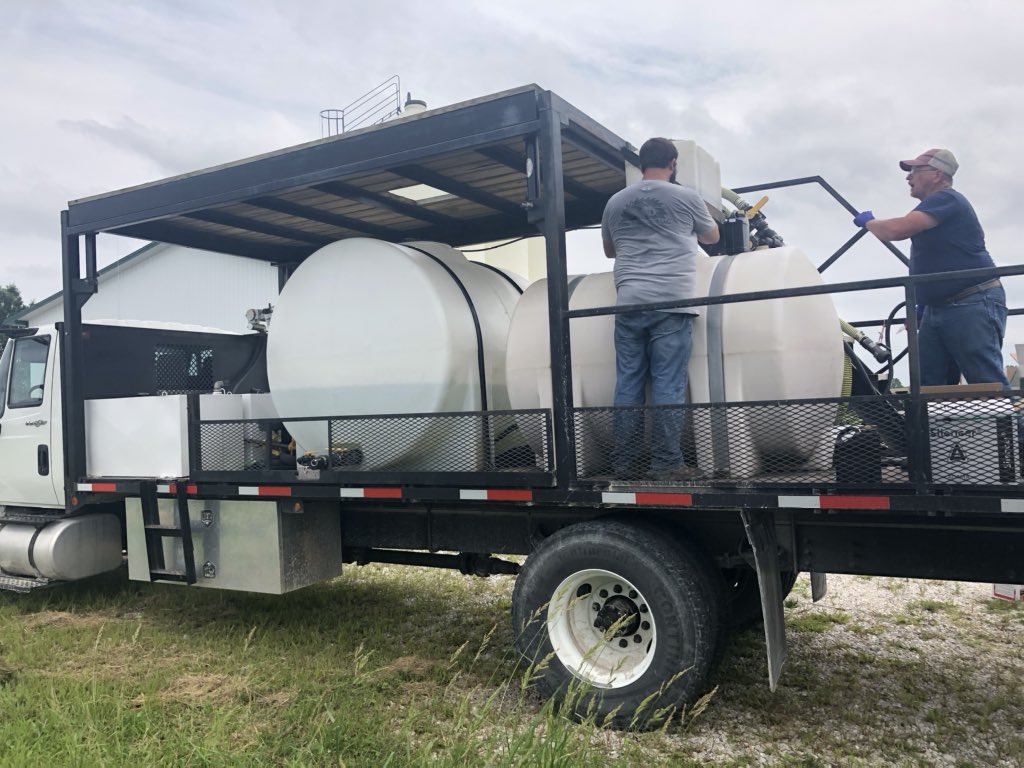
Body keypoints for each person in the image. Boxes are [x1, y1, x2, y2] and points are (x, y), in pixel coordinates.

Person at [601, 137, 720, 480]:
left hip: (628, 303)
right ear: (673, 163)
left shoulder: (615, 202)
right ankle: (666, 464)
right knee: (668, 383)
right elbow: (712, 237)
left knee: (628, 383)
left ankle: (624, 464)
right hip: (672, 301)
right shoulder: (686, 197)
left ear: (641, 164)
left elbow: (610, 250)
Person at [853, 148, 1009, 388]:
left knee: (985, 379)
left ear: (937, 175)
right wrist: (924, 305)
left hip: (971, 301)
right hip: (940, 307)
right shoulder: (935, 207)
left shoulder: (947, 198)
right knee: (930, 385)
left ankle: (1003, 415)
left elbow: (897, 230)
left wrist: (869, 222)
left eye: (915, 170)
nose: (909, 177)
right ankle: (934, 416)